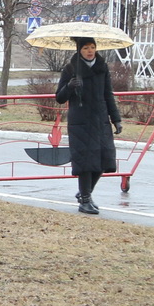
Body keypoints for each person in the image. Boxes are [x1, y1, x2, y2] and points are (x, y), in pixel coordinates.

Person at [55, 37, 123, 214]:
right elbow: (60, 97)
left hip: (100, 120)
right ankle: (85, 200)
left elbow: (108, 94)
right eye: (86, 48)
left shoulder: (102, 67)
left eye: (92, 47)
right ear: (79, 50)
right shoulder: (71, 68)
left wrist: (116, 118)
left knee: (103, 159)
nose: (90, 51)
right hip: (81, 122)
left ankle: (85, 193)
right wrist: (70, 86)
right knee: (86, 161)